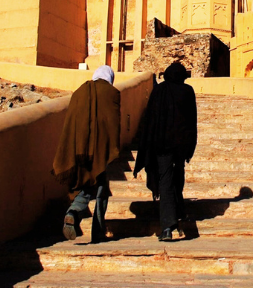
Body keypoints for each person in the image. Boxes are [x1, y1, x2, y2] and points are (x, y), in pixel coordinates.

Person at [52, 65, 120, 243]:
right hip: (100, 149)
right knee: (101, 189)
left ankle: (73, 212)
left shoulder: (80, 91)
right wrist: (113, 148)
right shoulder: (111, 93)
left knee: (84, 183)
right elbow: (114, 122)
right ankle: (96, 229)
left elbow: (72, 119)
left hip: (78, 148)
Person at [133, 62, 197, 241]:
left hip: (162, 146)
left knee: (166, 181)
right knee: (178, 177)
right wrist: (190, 146)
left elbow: (150, 120)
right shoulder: (187, 91)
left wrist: (148, 144)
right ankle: (179, 212)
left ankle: (168, 226)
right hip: (180, 145)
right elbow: (192, 121)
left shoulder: (159, 91)